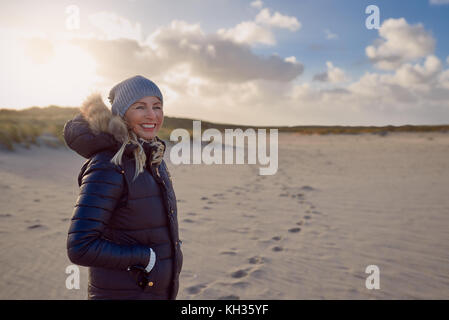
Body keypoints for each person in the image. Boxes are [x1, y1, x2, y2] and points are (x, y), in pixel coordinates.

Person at [63, 75, 182, 300]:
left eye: (157, 106)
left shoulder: (153, 158)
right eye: (140, 107)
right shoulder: (109, 165)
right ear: (122, 114)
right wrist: (146, 258)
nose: (152, 115)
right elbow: (80, 246)